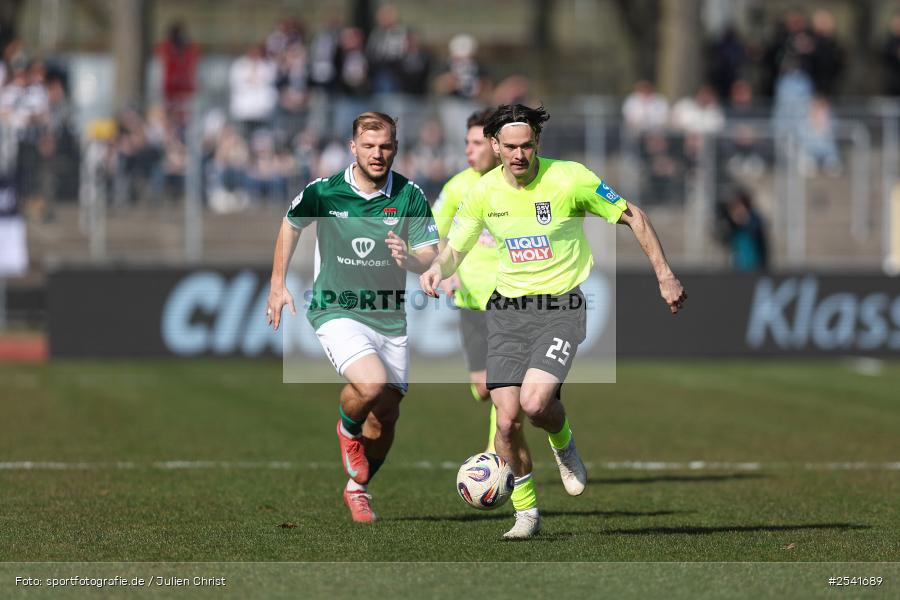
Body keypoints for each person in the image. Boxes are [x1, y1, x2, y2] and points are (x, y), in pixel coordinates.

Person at [420, 104, 686, 539]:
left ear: (537, 144)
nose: (519, 155)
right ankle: (526, 514)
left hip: (560, 307)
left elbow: (634, 215)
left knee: (536, 404)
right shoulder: (484, 192)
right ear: (495, 146)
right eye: (510, 147)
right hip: (506, 310)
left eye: (527, 146)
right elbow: (456, 247)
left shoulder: (569, 178)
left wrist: (665, 274)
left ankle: (563, 444)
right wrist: (437, 269)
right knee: (505, 422)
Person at [266, 112, 439, 524]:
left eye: (385, 147)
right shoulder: (325, 192)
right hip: (336, 307)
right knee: (371, 383)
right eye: (369, 146)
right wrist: (278, 283)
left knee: (387, 416)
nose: (377, 155)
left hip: (390, 317)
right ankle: (347, 430)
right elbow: (291, 225)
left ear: (395, 148)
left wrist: (411, 258)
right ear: (353, 148)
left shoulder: (410, 196)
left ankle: (357, 490)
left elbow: (430, 255)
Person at [432, 108, 501, 452]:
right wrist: (448, 270)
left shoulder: (513, 185)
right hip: (470, 302)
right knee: (484, 388)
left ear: (495, 144)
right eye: (466, 143)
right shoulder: (458, 186)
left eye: (477, 143)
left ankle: (494, 455)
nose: (469, 150)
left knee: (504, 387)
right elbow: (433, 234)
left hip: (511, 299)